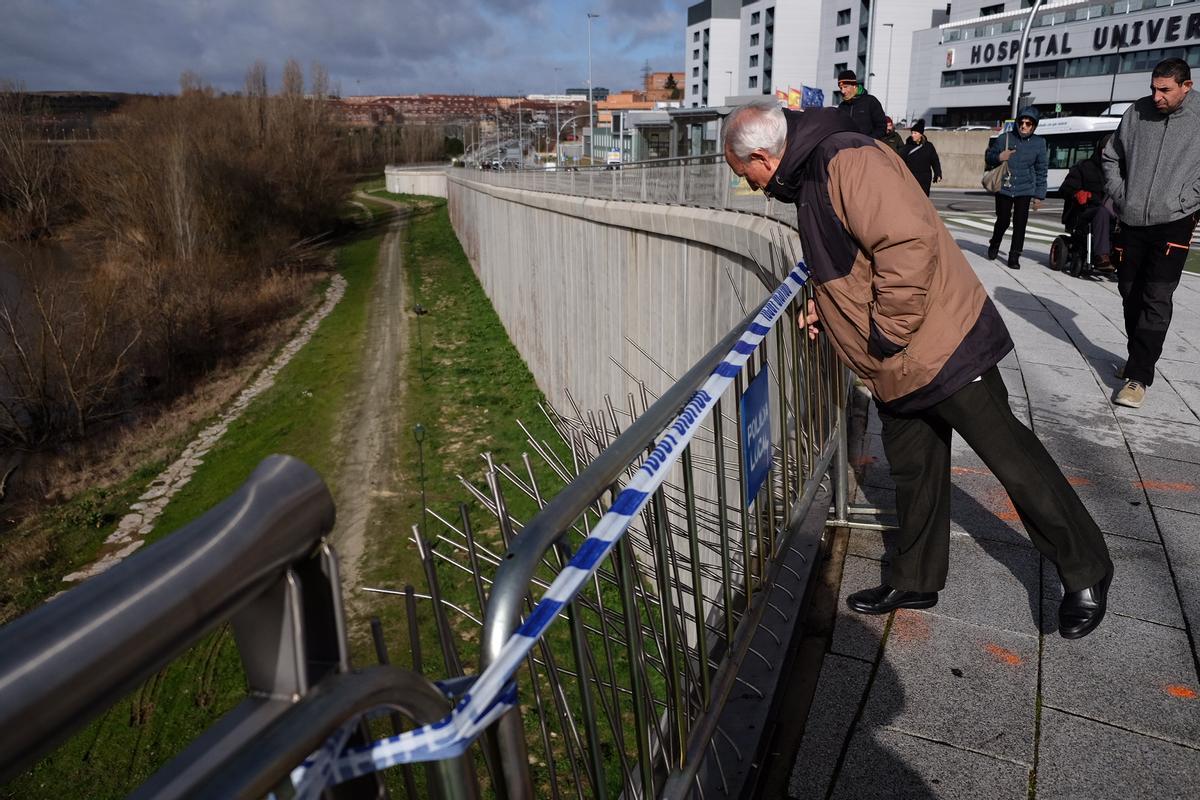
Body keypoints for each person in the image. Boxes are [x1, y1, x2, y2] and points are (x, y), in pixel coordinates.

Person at [722, 100, 1113, 639]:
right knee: (915, 469)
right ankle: (915, 577)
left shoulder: (845, 160)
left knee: (1012, 458)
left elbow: (907, 245)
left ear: (764, 155)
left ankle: (1087, 568)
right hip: (899, 360)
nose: (753, 186)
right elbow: (851, 258)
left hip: (936, 343)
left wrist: (886, 331)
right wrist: (828, 307)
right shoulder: (815, 169)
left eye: (747, 175)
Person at [1102, 57, 1200, 409]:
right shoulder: (1136, 112)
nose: (1157, 96)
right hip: (1131, 218)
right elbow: (1111, 156)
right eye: (1153, 88)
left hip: (1174, 220)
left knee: (1156, 297)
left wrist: (1187, 200)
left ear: (1186, 86)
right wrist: (1121, 194)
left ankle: (1139, 377)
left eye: (1165, 90)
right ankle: (1135, 361)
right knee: (1130, 291)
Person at [985, 107, 1048, 269]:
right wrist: (999, 156)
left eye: (1029, 123)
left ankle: (1014, 256)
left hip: (1025, 189)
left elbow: (1041, 171)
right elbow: (988, 157)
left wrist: (1039, 196)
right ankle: (995, 243)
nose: (1024, 126)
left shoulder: (1039, 143)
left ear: (1034, 126)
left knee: (1020, 224)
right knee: (1003, 220)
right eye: (1022, 122)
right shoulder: (1004, 138)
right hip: (1004, 187)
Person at [1059, 135, 1116, 273]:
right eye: (1106, 150)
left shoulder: (1119, 172)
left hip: (1113, 212)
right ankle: (1101, 256)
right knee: (1101, 211)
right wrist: (1078, 193)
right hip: (1086, 211)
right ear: (1100, 150)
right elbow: (1065, 189)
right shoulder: (1084, 167)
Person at [835, 69, 886, 139]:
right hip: (846, 145)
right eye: (841, 88)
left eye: (845, 87)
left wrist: (868, 140)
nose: (843, 91)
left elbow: (882, 128)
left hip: (868, 146)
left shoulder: (871, 101)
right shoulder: (842, 106)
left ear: (854, 86)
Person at [900, 119, 942, 196]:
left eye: (915, 133)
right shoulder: (907, 147)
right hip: (911, 177)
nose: (912, 135)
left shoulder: (929, 146)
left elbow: (935, 161)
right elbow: (901, 161)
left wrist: (938, 173)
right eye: (912, 133)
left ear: (921, 134)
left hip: (925, 178)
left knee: (924, 199)